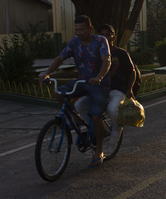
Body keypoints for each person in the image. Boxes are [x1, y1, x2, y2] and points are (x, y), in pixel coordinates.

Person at [38, 15, 111, 168]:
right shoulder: (74, 42)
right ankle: (75, 119)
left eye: (82, 29)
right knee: (59, 92)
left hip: (99, 84)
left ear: (90, 28)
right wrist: (47, 73)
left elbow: (107, 60)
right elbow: (60, 58)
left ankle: (99, 151)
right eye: (76, 29)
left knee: (96, 117)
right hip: (82, 82)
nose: (79, 33)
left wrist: (99, 77)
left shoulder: (100, 41)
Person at [75, 24, 136, 152]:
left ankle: (116, 128)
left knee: (112, 109)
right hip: (98, 89)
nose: (105, 37)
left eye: (108, 34)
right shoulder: (94, 52)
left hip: (116, 90)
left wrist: (129, 89)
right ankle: (100, 129)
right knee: (80, 105)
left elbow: (132, 71)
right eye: (102, 34)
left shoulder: (121, 53)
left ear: (113, 37)